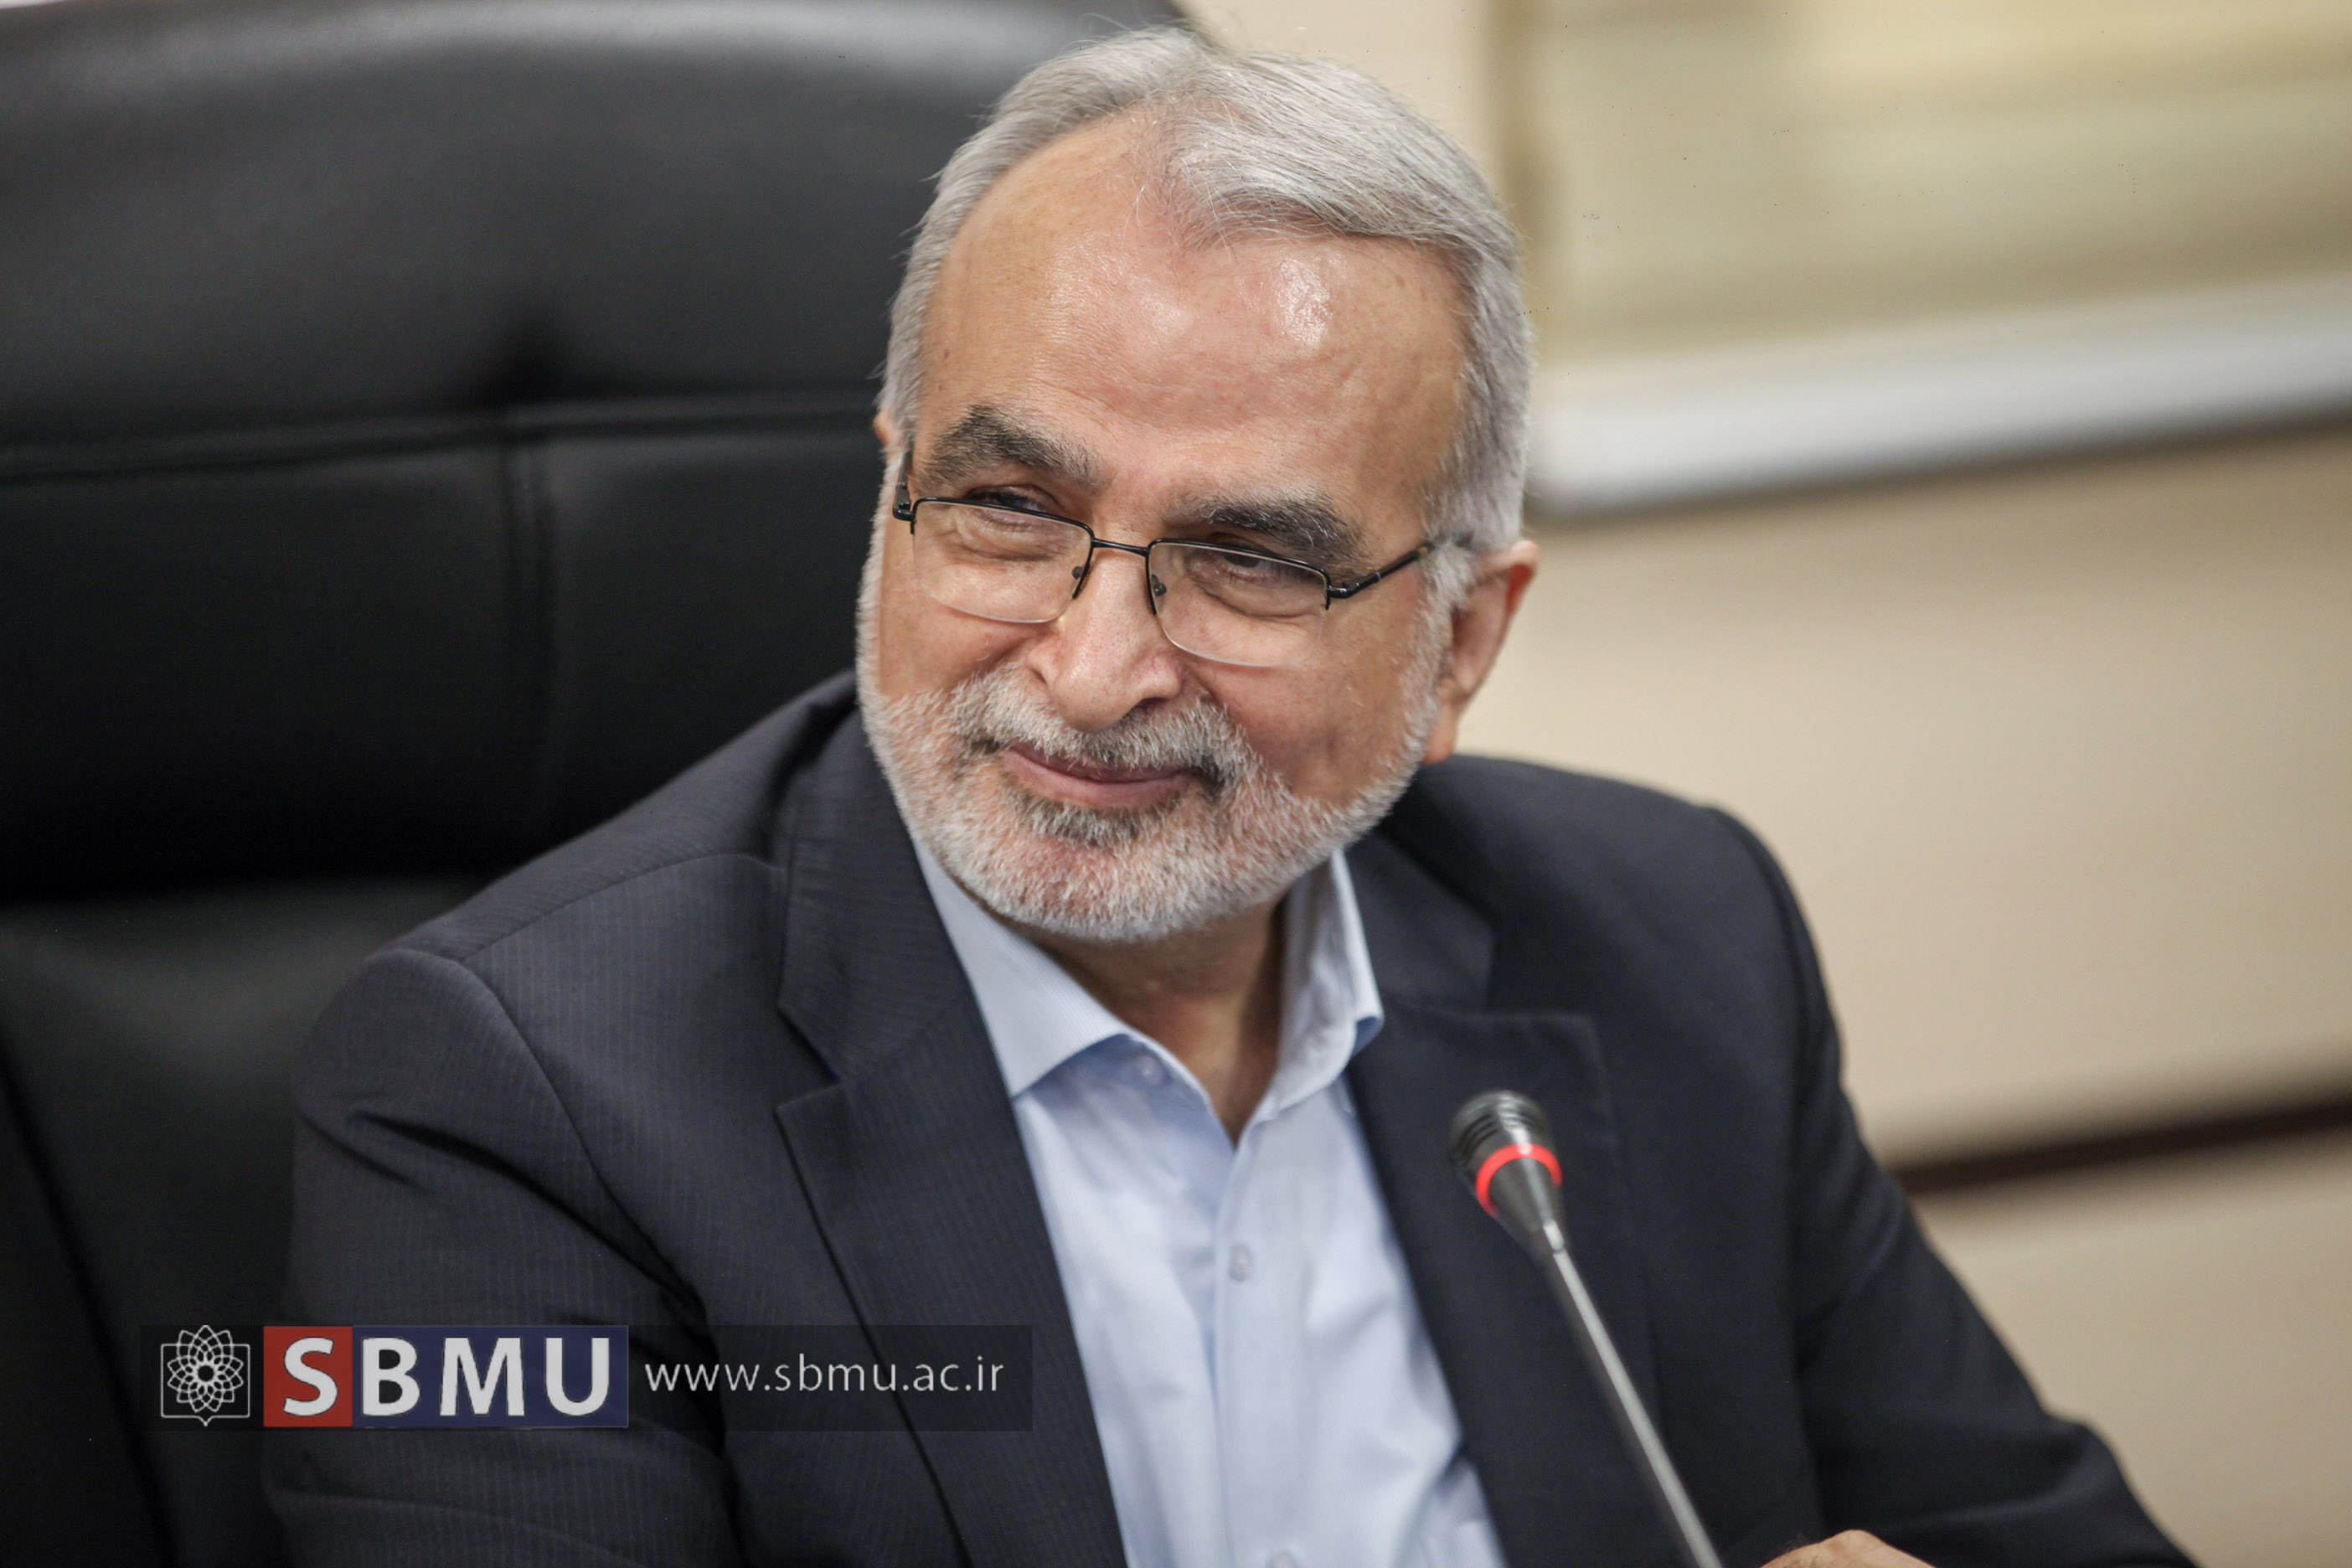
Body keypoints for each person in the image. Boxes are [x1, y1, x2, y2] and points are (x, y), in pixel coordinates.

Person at [270, 27, 2191, 1568]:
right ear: (893, 485)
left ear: (1460, 644)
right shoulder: (511, 1096)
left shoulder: (1671, 939)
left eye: (1252, 561)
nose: (1092, 667)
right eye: (1008, 509)